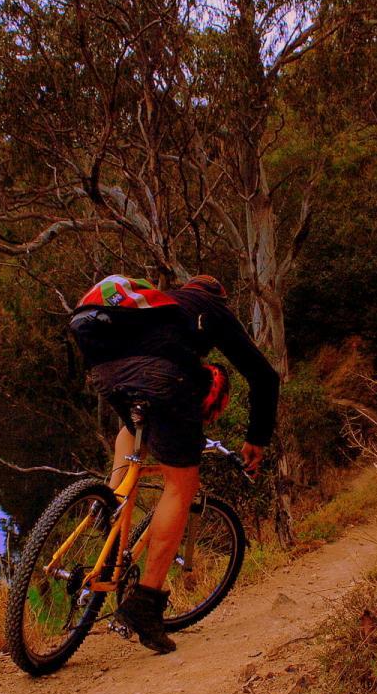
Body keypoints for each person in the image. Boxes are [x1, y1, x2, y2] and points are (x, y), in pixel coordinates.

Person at [73, 274, 280, 653]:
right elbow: (264, 376)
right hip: (163, 376)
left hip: (105, 368)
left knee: (132, 428)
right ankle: (146, 603)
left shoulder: (158, 304)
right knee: (180, 485)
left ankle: (112, 507)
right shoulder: (213, 308)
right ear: (220, 295)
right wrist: (257, 438)